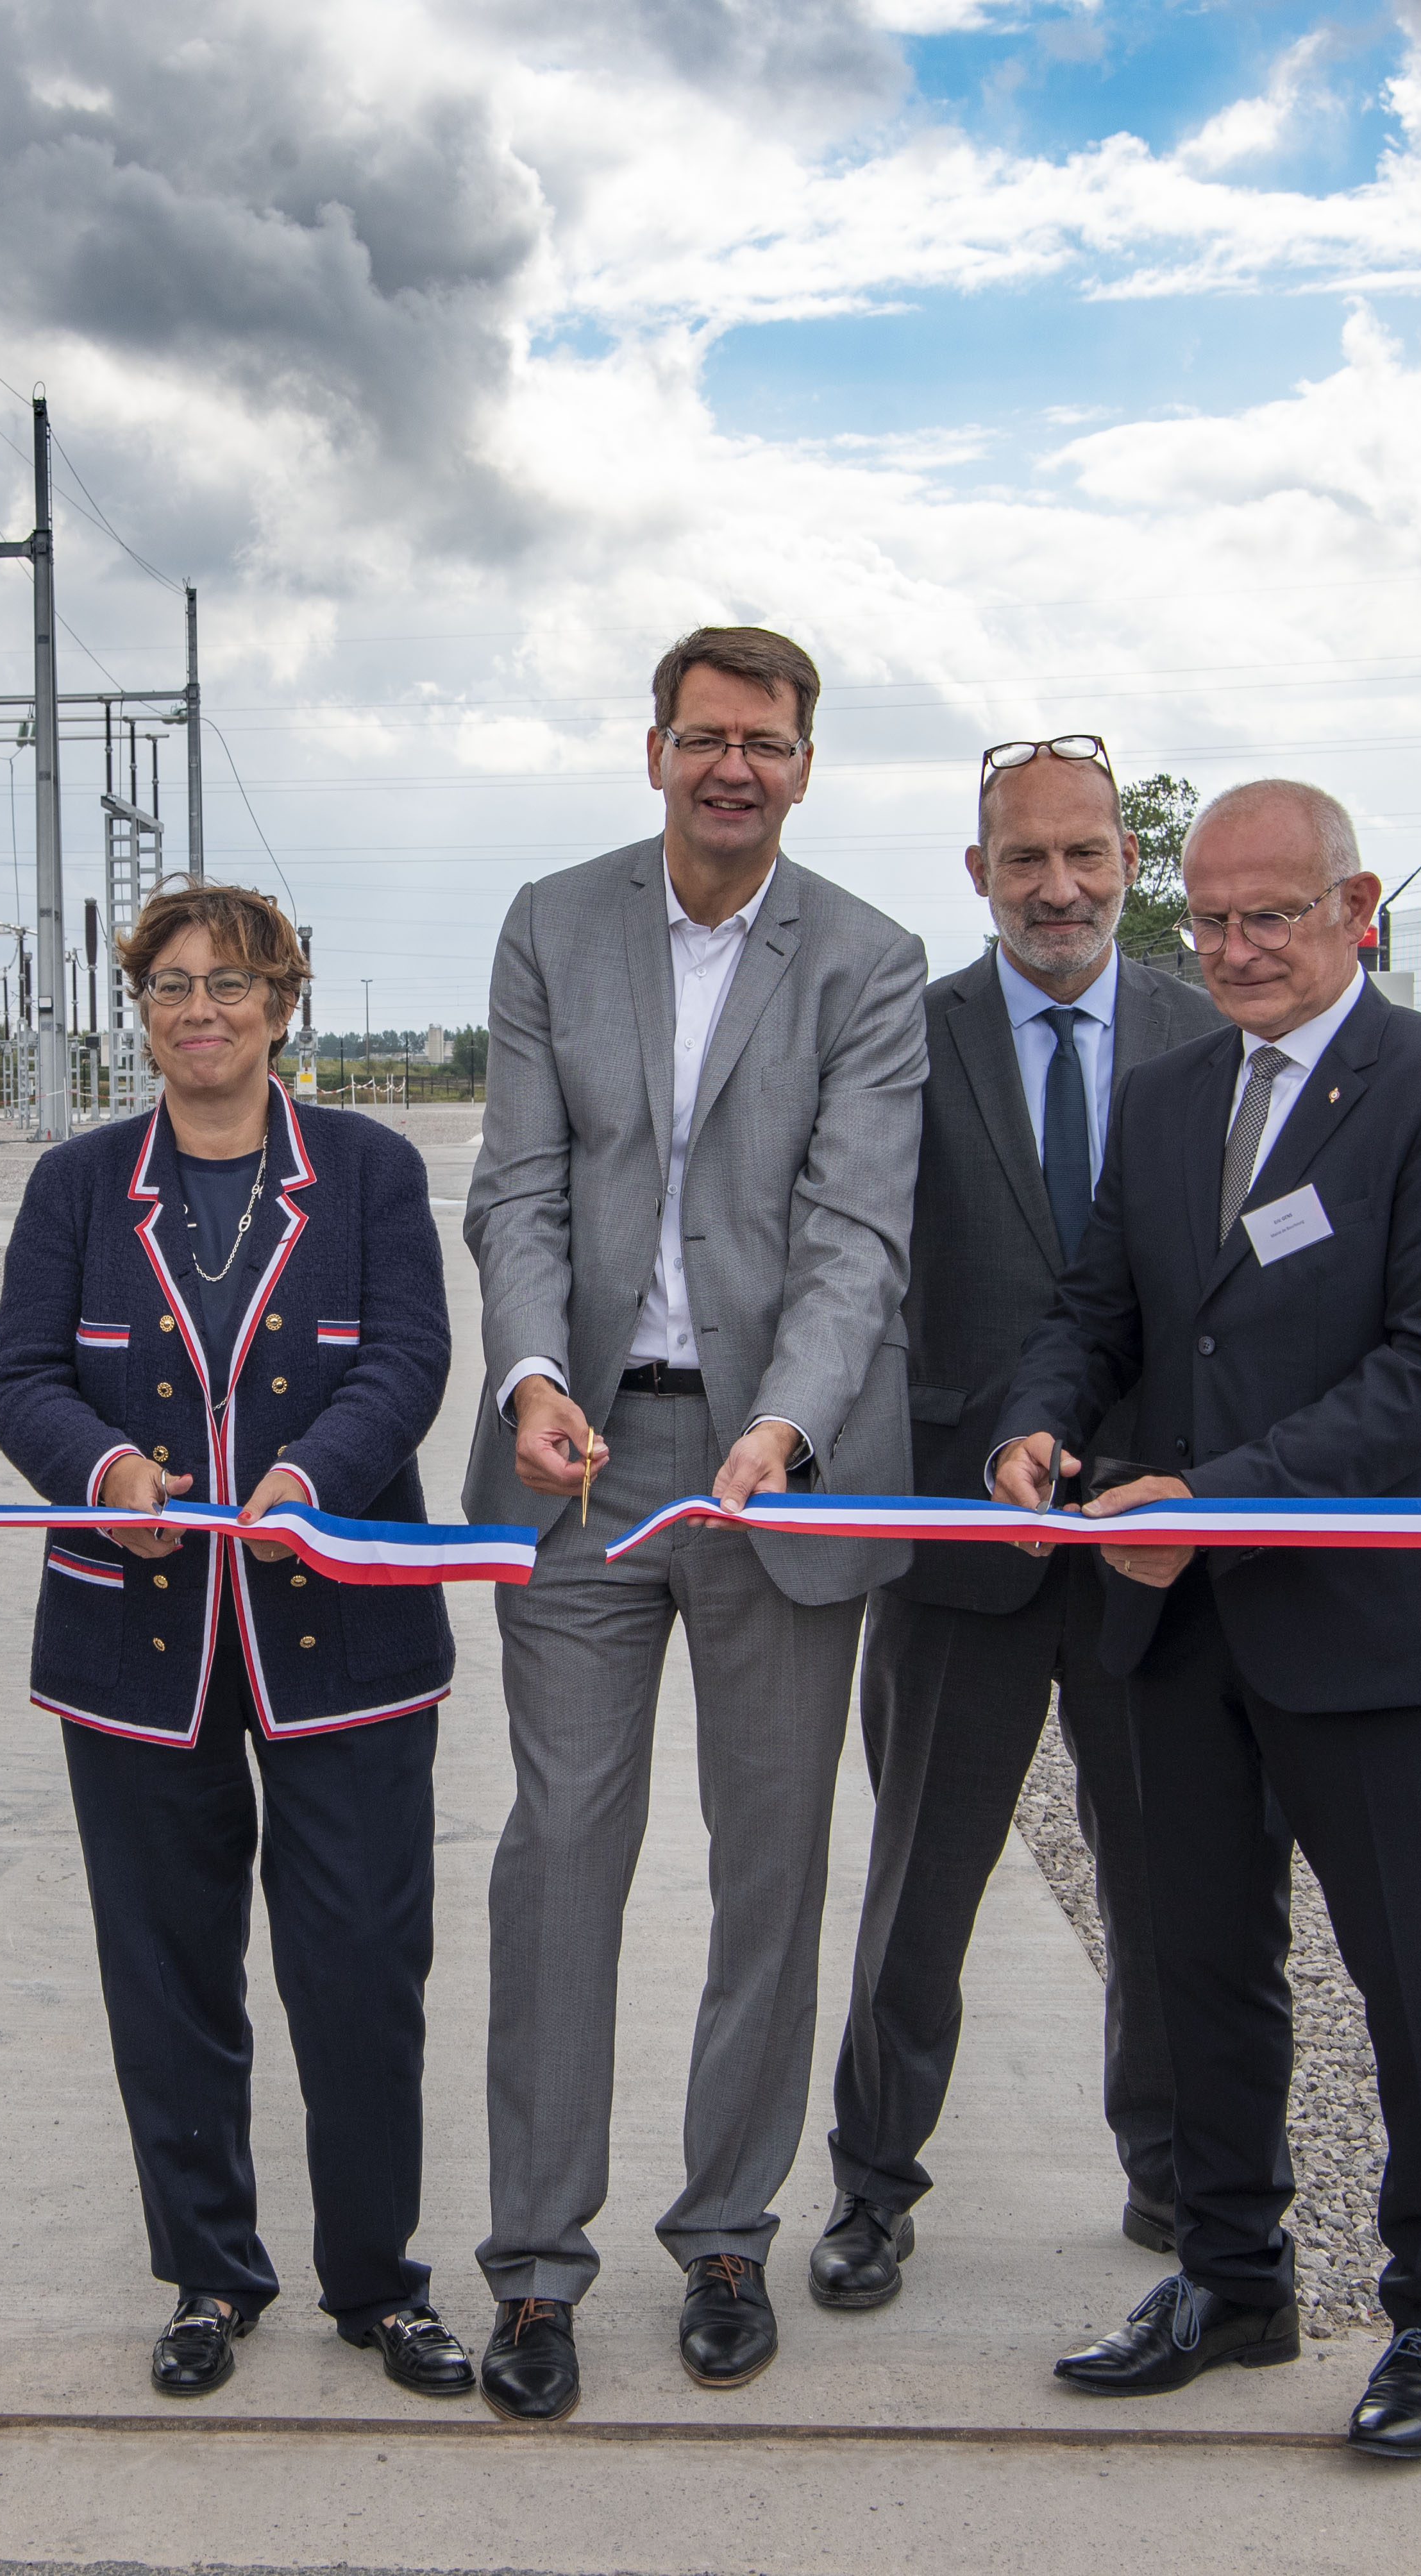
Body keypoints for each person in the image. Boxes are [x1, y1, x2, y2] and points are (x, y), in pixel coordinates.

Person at [993, 779, 1421, 2461]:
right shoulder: (1161, 1101)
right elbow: (1094, 1312)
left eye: (1267, 916)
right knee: (1198, 1974)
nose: (1228, 948)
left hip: (1356, 1628)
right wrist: (1031, 1418)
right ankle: (1229, 2282)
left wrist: (1207, 1499)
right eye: (1207, 919)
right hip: (1170, 1628)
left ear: (1350, 906)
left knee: (1411, 1985)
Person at [462, 625, 926, 2420]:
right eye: (705, 737)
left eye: (768, 744)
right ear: (650, 748)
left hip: (770, 1476)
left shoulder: (866, 963)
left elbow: (854, 1233)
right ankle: (531, 2267)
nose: (734, 767)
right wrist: (521, 1378)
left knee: (766, 1868)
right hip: (579, 1465)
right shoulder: (550, 925)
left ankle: (725, 2230)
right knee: (560, 1851)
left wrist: (787, 1422)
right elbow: (512, 1181)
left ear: (801, 768)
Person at [0, 882, 472, 2404]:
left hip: (344, 1644)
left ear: (281, 1004)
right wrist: (103, 1474)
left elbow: (404, 1354)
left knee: (358, 1968)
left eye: (230, 984)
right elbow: (19, 1375)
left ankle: (375, 2278)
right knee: (167, 1968)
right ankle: (206, 2272)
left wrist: (312, 1482)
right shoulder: (76, 1186)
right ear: (137, 1008)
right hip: (136, 1647)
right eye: (169, 986)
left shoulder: (371, 1172)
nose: (198, 1010)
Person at [809, 736, 1228, 2312]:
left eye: (1085, 855)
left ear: (1127, 862)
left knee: (1166, 1883)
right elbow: (851, 1263)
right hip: (952, 1550)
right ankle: (869, 2188)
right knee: (918, 1889)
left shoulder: (1204, 1034)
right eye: (1022, 859)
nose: (1057, 887)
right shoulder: (905, 1043)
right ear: (974, 873)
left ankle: (1174, 2179)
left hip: (1153, 1554)